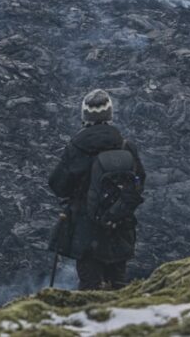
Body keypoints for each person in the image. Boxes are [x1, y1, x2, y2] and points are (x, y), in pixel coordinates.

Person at [48, 88, 145, 290]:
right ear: (109, 115)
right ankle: (123, 319)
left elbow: (58, 185)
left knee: (90, 286)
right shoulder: (126, 146)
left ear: (85, 116)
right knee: (118, 286)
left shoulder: (76, 148)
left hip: (86, 231)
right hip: (119, 227)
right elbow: (139, 182)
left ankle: (93, 318)